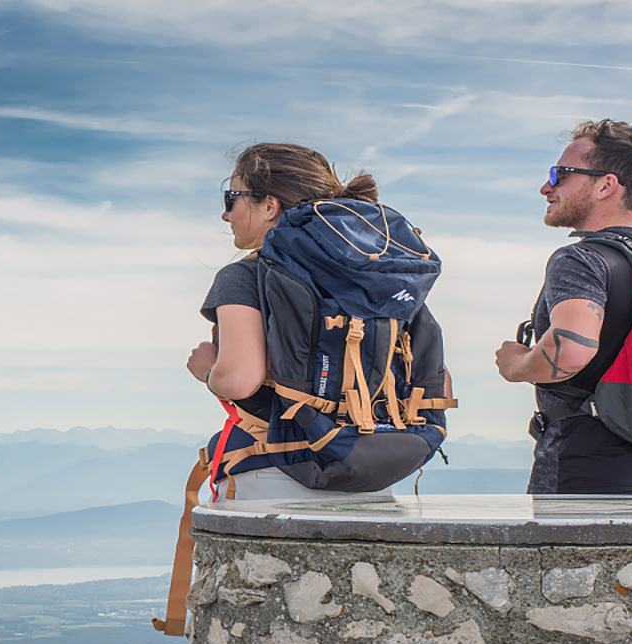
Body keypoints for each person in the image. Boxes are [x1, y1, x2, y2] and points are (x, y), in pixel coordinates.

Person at [184, 143, 448, 501]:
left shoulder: (246, 274)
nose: (226, 215)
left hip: (273, 469)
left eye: (232, 198)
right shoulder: (377, 275)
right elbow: (435, 379)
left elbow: (238, 380)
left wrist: (208, 370)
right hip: (371, 466)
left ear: (269, 205)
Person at [494, 120, 632, 495]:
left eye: (560, 174)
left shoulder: (580, 260)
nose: (546, 187)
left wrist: (516, 365)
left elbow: (570, 351)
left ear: (605, 185)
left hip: (583, 473)